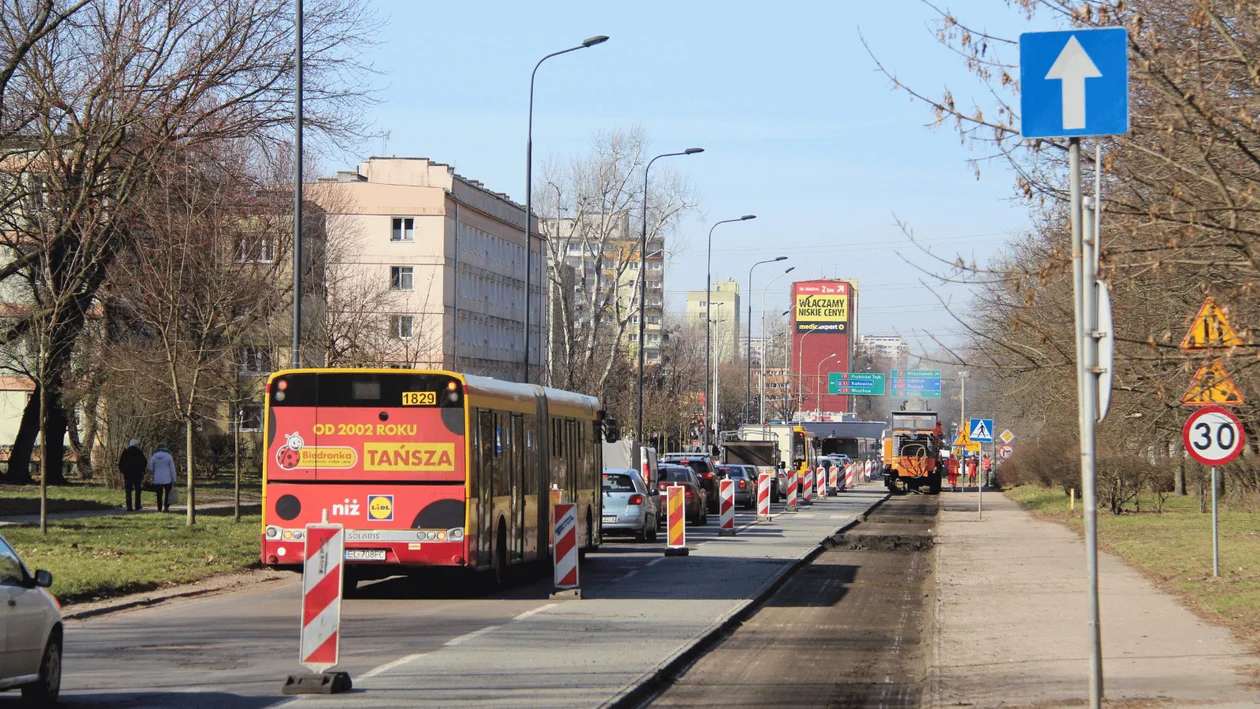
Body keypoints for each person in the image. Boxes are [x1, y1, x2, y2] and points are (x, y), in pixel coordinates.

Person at [118, 439, 147, 511]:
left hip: (128, 474)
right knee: (138, 490)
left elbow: (121, 464)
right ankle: (137, 505)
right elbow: (144, 462)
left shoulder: (125, 452)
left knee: (128, 490)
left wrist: (124, 472)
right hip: (137, 474)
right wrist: (141, 471)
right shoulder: (139, 452)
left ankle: (129, 506)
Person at [147, 442, 177, 511]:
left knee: (159, 494)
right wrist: (174, 479)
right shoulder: (168, 456)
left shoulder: (154, 456)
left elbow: (151, 468)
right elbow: (172, 468)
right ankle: (166, 507)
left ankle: (159, 507)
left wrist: (154, 472)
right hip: (167, 478)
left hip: (157, 478)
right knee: (167, 493)